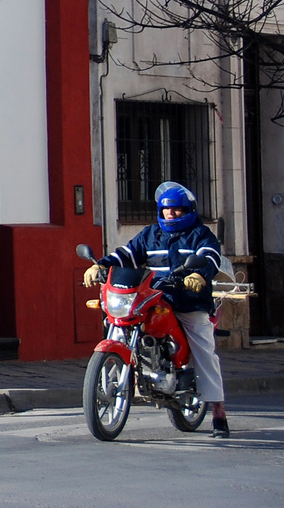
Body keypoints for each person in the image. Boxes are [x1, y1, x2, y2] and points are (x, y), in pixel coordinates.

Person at [84, 181, 229, 437]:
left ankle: (218, 412)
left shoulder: (200, 234)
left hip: (188, 302)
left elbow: (210, 257)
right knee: (119, 321)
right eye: (165, 210)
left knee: (204, 351)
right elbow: (126, 255)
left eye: (176, 210)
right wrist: (100, 265)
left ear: (188, 211)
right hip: (154, 298)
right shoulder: (151, 235)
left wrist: (199, 275)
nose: (170, 215)